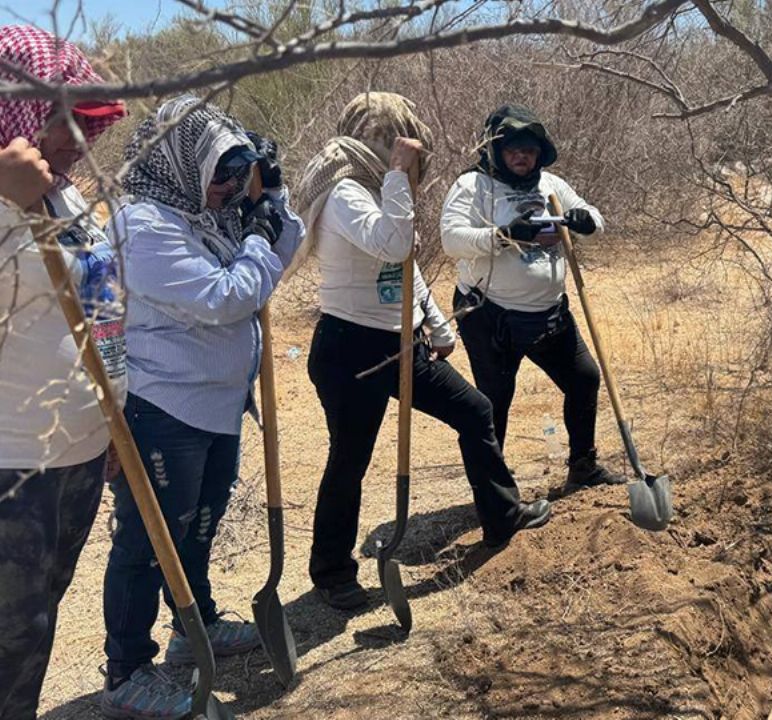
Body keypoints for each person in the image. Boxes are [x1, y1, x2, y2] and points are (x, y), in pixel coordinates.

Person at [292, 92, 551, 610]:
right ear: (382, 143)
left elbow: (403, 270)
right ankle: (333, 573)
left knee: (475, 411)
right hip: (352, 349)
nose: (412, 158)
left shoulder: (378, 190)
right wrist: (396, 175)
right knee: (350, 458)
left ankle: (502, 516)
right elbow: (394, 244)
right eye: (400, 145)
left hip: (402, 342)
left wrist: (435, 323)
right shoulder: (345, 192)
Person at [99, 96, 303, 719]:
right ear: (180, 163)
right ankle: (127, 668)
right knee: (147, 539)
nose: (228, 187)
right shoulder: (144, 224)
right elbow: (223, 297)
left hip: (217, 406)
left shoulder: (205, 215)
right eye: (219, 173)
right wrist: (258, 239)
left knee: (199, 524)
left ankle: (195, 627)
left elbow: (281, 253)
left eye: (236, 174)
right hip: (165, 408)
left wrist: (274, 201)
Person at [0, 25, 127, 720]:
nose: (78, 139)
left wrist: (114, 415)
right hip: (12, 464)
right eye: (63, 120)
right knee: (9, 640)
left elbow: (105, 308)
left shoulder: (70, 200)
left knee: (37, 623)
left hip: (78, 455)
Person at [441, 104, 624, 489]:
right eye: (512, 148)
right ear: (495, 151)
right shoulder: (473, 187)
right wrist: (505, 235)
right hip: (491, 316)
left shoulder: (551, 186)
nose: (522, 156)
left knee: (584, 379)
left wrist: (586, 221)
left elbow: (594, 216)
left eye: (529, 149)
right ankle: (495, 494)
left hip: (550, 316)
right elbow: (452, 239)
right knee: (494, 402)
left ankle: (583, 467)